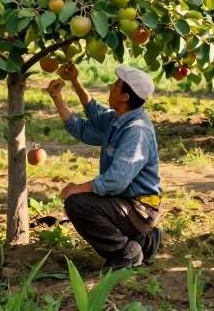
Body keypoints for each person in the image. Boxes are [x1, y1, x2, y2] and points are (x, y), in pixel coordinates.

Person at [45, 62, 163, 270]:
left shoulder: (136, 132)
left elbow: (116, 181)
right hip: (125, 200)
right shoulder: (118, 119)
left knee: (78, 202)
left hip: (138, 207)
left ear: (125, 97)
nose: (112, 86)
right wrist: (65, 90)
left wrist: (79, 187)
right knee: (81, 197)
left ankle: (124, 251)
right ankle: (145, 240)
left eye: (117, 84)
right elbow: (88, 119)